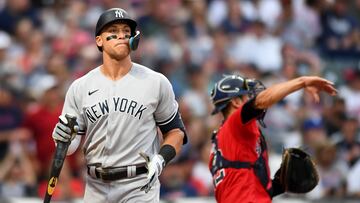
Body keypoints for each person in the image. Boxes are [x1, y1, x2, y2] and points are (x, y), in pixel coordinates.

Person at [51, 8, 187, 203]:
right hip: (95, 186)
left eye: (126, 30)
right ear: (99, 40)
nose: (121, 35)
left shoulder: (155, 82)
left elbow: (176, 131)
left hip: (138, 185)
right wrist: (62, 137)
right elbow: (70, 146)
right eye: (113, 30)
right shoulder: (80, 87)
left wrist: (161, 159)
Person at [209, 74, 337, 202]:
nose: (251, 98)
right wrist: (302, 82)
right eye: (247, 96)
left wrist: (279, 184)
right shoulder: (234, 124)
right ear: (236, 102)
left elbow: (243, 185)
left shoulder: (224, 141)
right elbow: (261, 101)